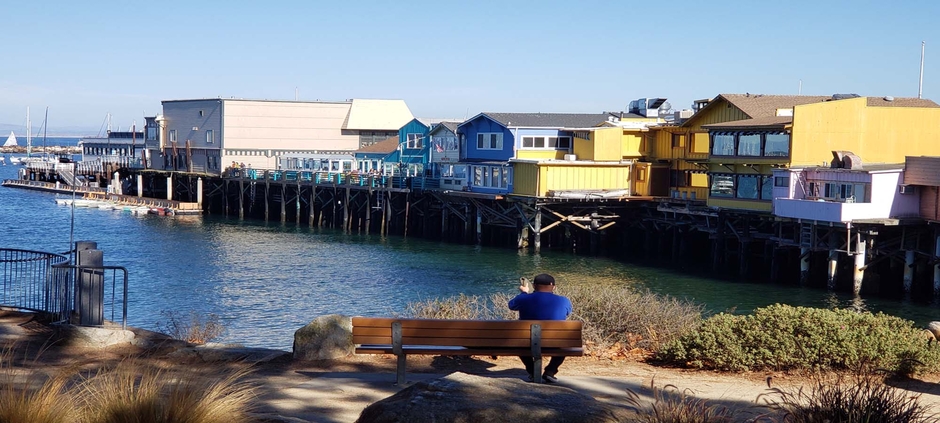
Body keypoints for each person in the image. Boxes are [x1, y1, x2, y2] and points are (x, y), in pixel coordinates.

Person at [507, 273, 572, 383]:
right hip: (555, 343)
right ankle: (550, 371)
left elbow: (511, 305)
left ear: (534, 285)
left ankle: (533, 372)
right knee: (564, 345)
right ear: (554, 287)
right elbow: (568, 312)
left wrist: (524, 293)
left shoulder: (524, 299)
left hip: (527, 342)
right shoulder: (563, 300)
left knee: (520, 345)